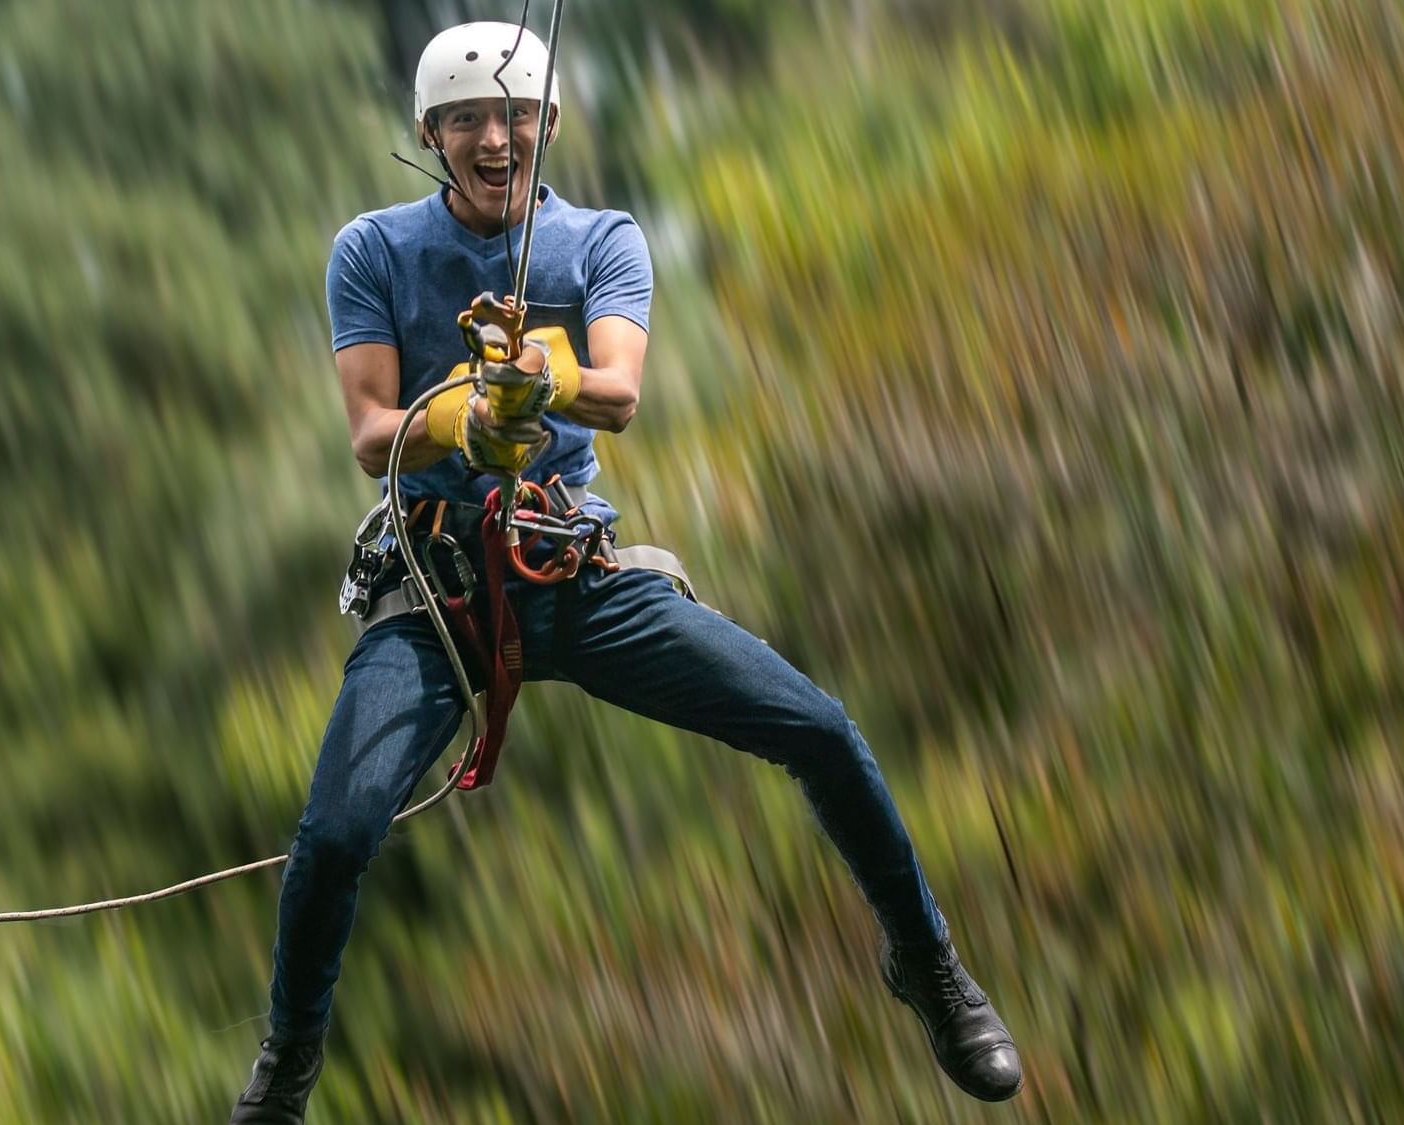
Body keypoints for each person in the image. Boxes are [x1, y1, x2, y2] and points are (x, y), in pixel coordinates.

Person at [229, 22, 1023, 1123]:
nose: (494, 139)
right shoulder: (371, 249)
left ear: (548, 127)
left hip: (579, 576)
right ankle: (289, 1061)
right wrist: (466, 413)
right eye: (467, 121)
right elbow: (370, 434)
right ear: (429, 135)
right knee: (336, 833)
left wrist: (533, 380)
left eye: (515, 119)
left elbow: (620, 392)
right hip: (440, 595)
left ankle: (927, 966)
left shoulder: (602, 239)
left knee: (818, 731)